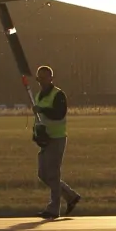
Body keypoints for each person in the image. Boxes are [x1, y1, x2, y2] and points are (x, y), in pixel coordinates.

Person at [32, 65, 80, 219]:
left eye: (45, 77)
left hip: (57, 138)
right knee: (43, 174)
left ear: (51, 78)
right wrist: (36, 134)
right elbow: (39, 120)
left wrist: (42, 110)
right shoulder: (39, 96)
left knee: (52, 173)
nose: (42, 80)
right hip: (46, 140)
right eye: (40, 77)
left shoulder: (58, 95)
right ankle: (70, 196)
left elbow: (59, 114)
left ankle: (53, 209)